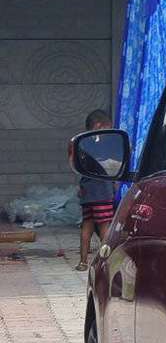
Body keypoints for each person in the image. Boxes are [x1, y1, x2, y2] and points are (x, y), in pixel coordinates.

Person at [71, 109, 116, 271]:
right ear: (99, 126)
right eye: (108, 128)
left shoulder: (82, 144)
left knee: (87, 226)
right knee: (105, 227)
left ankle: (83, 262)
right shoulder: (104, 144)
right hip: (102, 192)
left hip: (87, 192)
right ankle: (106, 262)